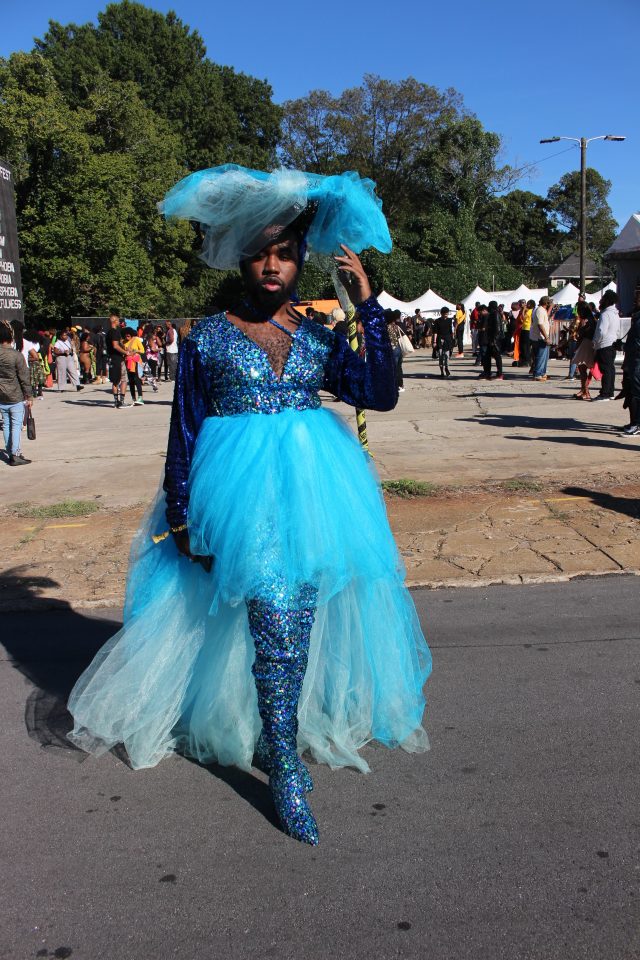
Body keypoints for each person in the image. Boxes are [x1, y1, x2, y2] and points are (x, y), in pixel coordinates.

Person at [67, 165, 431, 847]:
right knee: (274, 617)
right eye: (260, 252)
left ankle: (280, 739)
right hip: (235, 501)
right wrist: (181, 517)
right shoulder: (206, 338)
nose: (271, 265)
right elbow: (184, 433)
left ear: (300, 259)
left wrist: (368, 306)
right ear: (241, 255)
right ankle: (286, 766)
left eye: (285, 252)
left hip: (314, 500)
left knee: (290, 623)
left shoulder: (321, 339)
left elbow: (378, 394)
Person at [0, 321, 33, 465]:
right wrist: (29, 395)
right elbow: (24, 377)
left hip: (1, 395)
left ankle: (10, 451)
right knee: (16, 426)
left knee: (6, 425)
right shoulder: (16, 356)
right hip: (15, 395)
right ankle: (15, 454)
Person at [592, 289, 621, 402]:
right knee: (610, 369)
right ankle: (610, 392)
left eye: (603, 298)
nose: (601, 300)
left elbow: (601, 331)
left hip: (604, 345)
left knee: (605, 370)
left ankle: (605, 394)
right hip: (612, 343)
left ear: (607, 300)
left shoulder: (605, 314)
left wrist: (595, 342)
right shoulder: (615, 314)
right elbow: (618, 330)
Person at [619, 292, 640, 435]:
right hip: (633, 361)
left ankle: (637, 424)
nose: (634, 301)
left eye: (638, 299)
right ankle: (635, 422)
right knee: (632, 393)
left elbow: (636, 344)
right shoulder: (637, 318)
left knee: (637, 393)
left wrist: (622, 347)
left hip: (637, 362)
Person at [106, 311, 128, 408]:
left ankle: (116, 401)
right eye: (118, 320)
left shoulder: (108, 333)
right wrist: (126, 352)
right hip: (117, 359)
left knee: (115, 381)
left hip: (111, 358)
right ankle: (121, 401)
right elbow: (115, 346)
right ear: (114, 321)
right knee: (123, 379)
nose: (119, 322)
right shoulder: (114, 332)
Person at [479, 302, 503, 380]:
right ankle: (487, 373)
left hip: (494, 340)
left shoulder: (495, 314)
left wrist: (494, 340)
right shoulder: (492, 314)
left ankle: (499, 374)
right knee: (487, 356)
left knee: (497, 357)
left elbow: (497, 329)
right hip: (491, 339)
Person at [530, 296, 552, 381]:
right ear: (546, 303)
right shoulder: (539, 310)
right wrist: (546, 336)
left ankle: (542, 372)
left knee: (545, 356)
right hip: (540, 337)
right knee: (541, 356)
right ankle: (538, 374)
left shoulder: (542, 310)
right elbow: (540, 324)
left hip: (542, 336)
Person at [123, 328, 145, 405]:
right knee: (131, 381)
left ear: (131, 334)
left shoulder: (136, 340)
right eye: (126, 335)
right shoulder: (123, 342)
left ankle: (140, 398)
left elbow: (142, 350)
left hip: (136, 362)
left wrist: (135, 351)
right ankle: (133, 398)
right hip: (127, 363)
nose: (127, 336)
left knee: (137, 379)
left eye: (128, 335)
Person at [433, 307, 454, 377]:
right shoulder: (437, 321)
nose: (446, 315)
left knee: (447, 355)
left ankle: (447, 368)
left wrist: (453, 339)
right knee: (441, 356)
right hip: (440, 340)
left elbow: (451, 331)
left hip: (448, 340)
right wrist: (434, 341)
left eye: (447, 314)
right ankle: (442, 370)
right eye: (445, 314)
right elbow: (435, 332)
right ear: (441, 313)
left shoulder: (449, 320)